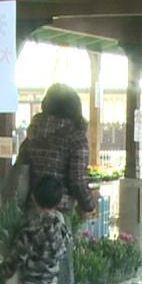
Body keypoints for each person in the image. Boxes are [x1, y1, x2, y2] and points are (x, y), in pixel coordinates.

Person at [0, 175, 73, 284]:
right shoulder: (61, 224)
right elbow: (64, 248)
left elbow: (19, 254)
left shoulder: (31, 227)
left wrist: (4, 270)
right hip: (52, 281)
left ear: (33, 197)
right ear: (59, 201)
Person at [16, 83, 95, 215]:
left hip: (32, 207)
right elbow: (77, 180)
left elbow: (21, 170)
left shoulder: (33, 135)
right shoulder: (75, 138)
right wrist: (89, 205)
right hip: (60, 209)